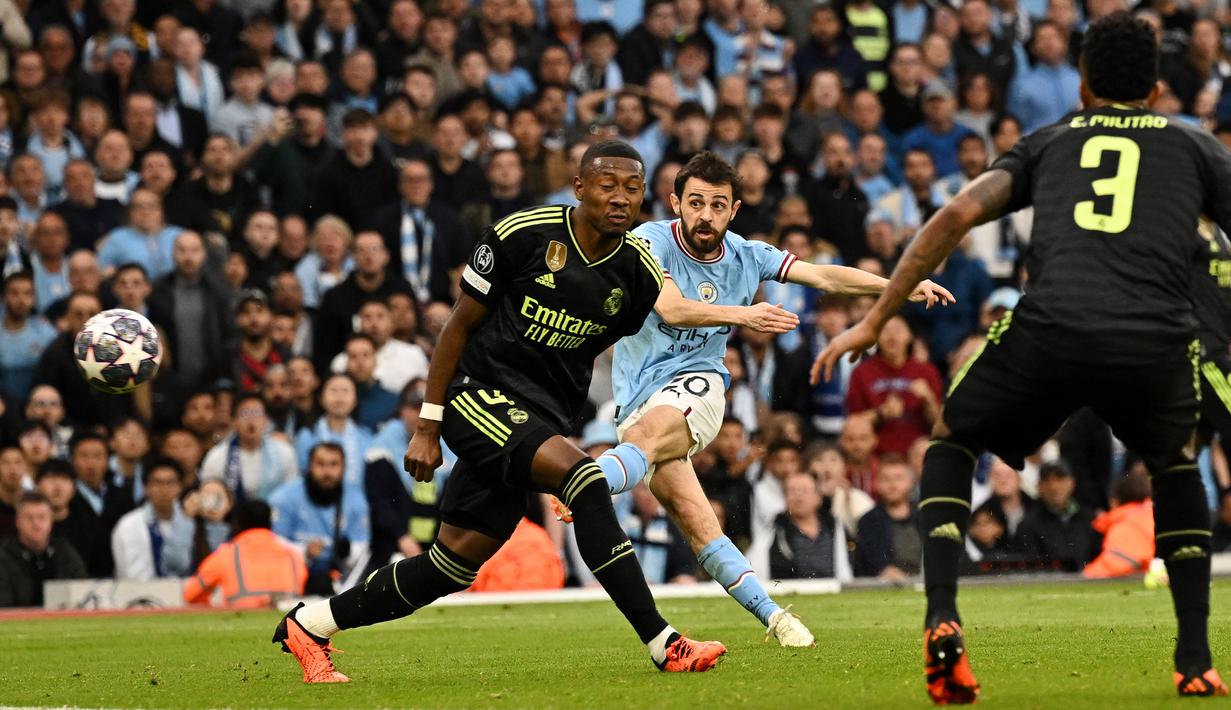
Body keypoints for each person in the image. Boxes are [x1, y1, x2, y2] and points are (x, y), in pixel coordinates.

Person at [814, 14, 1231, 700]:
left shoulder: (1048, 142)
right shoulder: (1195, 149)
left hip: (1053, 327)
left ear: (1083, 85)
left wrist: (873, 319)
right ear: (1155, 90)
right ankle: (1194, 659)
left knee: (951, 439)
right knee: (1174, 462)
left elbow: (951, 218)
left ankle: (941, 614)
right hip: (1153, 339)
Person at [275, 141, 729, 683]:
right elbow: (457, 327)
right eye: (607, 185)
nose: (619, 199)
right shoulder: (525, 234)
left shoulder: (638, 275)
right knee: (583, 479)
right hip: (478, 397)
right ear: (579, 187)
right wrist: (428, 424)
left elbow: (613, 349)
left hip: (537, 422)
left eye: (632, 188)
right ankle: (664, 643)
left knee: (450, 566)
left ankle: (311, 623)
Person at [574, 151, 949, 645]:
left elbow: (824, 276)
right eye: (695, 203)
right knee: (699, 523)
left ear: (734, 210)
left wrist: (899, 288)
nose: (705, 215)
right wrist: (747, 316)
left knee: (644, 438)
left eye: (717, 205)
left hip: (699, 385)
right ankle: (776, 617)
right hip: (637, 397)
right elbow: (673, 308)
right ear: (675, 203)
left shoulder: (749, 254)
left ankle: (587, 481)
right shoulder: (649, 242)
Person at [270, 442, 370, 596]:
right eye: (320, 464)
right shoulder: (284, 498)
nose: (327, 472)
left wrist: (348, 551)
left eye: (334, 464)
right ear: (309, 467)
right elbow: (272, 543)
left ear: (343, 468)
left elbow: (364, 551)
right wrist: (304, 552)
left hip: (340, 583)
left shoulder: (357, 501)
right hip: (291, 583)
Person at [183, 500, 308, 608]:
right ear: (270, 523)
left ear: (237, 523)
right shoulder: (293, 555)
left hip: (239, 621)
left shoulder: (227, 554)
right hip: (287, 625)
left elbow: (190, 595)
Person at [200, 393, 298, 502]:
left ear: (266, 420)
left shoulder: (284, 452)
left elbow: (292, 495)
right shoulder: (217, 457)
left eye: (257, 413)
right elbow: (209, 498)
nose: (251, 420)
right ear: (234, 421)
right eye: (245, 414)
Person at [110, 458, 194, 580]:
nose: (164, 490)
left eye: (170, 483)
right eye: (157, 483)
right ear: (146, 487)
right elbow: (131, 575)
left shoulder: (190, 521)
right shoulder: (129, 524)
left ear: (181, 487)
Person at [0, 492, 87, 608]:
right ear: (18, 522)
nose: (36, 524)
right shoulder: (4, 557)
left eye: (42, 517)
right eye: (29, 518)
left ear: (51, 522)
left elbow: (82, 594)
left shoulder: (65, 553)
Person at [1016, 461, 1098, 570]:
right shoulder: (1028, 525)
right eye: (1046, 480)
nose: (1053, 486)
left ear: (1072, 482)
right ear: (1039, 486)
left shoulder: (1091, 519)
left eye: (1060, 479)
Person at [1083, 473, 1155, 578]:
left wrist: (1083, 576)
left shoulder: (1128, 525)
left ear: (1114, 501)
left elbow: (1117, 564)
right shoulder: (1155, 515)